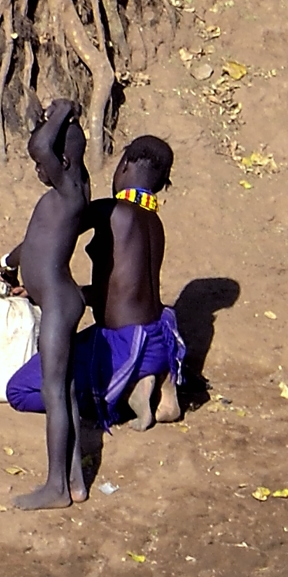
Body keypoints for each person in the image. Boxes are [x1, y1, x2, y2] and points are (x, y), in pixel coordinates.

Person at [0, 99, 91, 510]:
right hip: (54, 299)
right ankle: (75, 481)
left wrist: (62, 111)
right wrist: (8, 267)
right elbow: (35, 243)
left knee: (53, 392)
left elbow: (39, 147)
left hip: (59, 304)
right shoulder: (65, 193)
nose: (38, 167)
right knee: (64, 391)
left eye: (45, 163)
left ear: (63, 160)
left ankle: (56, 487)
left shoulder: (70, 190)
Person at [80, 135, 185, 429]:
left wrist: (7, 265)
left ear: (124, 164)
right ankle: (159, 381)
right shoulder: (155, 224)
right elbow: (122, 289)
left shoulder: (110, 211)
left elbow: (54, 231)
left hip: (126, 343)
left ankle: (130, 388)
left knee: (30, 388)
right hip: (160, 338)